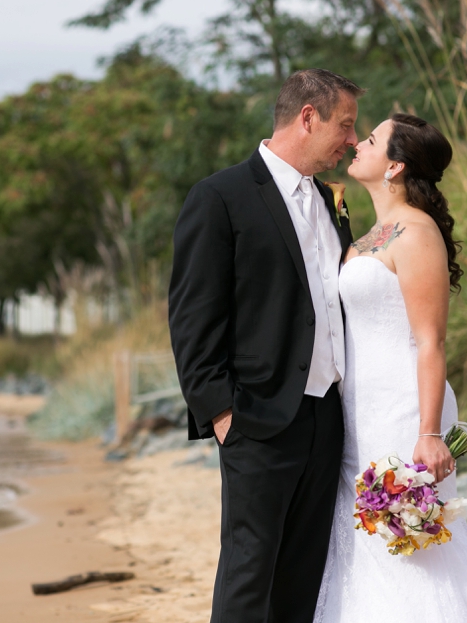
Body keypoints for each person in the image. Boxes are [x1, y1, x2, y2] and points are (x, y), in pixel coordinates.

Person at [312, 113, 467, 622]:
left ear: (395, 165)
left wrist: (428, 432)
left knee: (416, 546)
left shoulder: (416, 233)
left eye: (370, 139)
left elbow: (431, 339)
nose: (357, 143)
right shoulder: (369, 234)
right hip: (360, 411)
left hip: (405, 408)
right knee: (366, 543)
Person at [168, 68, 363, 623]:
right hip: (256, 416)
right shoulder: (220, 196)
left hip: (327, 417)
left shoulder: (332, 200)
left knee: (304, 573)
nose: (352, 139)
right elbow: (192, 315)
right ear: (308, 117)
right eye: (344, 125)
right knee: (249, 571)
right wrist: (221, 411)